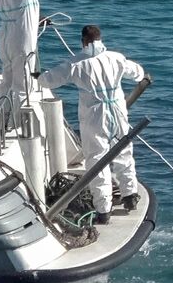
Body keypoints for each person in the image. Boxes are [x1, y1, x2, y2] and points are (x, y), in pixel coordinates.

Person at [33, 25, 145, 224]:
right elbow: (137, 73)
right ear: (100, 39)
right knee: (124, 151)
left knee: (97, 159)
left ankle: (104, 210)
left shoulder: (76, 64)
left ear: (83, 41)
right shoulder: (116, 58)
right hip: (118, 111)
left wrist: (38, 77)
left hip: (95, 116)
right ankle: (130, 196)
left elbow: (50, 80)